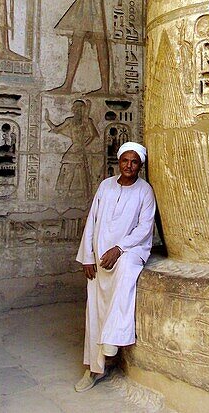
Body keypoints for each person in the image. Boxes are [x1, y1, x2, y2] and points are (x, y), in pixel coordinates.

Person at [74, 142, 155, 392]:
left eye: (134, 162)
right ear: (118, 162)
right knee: (95, 310)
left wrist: (120, 248)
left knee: (127, 273)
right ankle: (94, 368)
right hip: (100, 256)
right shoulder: (105, 187)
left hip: (129, 250)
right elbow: (92, 222)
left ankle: (112, 341)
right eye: (125, 161)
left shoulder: (145, 191)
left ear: (140, 166)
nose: (129, 166)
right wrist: (87, 256)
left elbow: (144, 227)